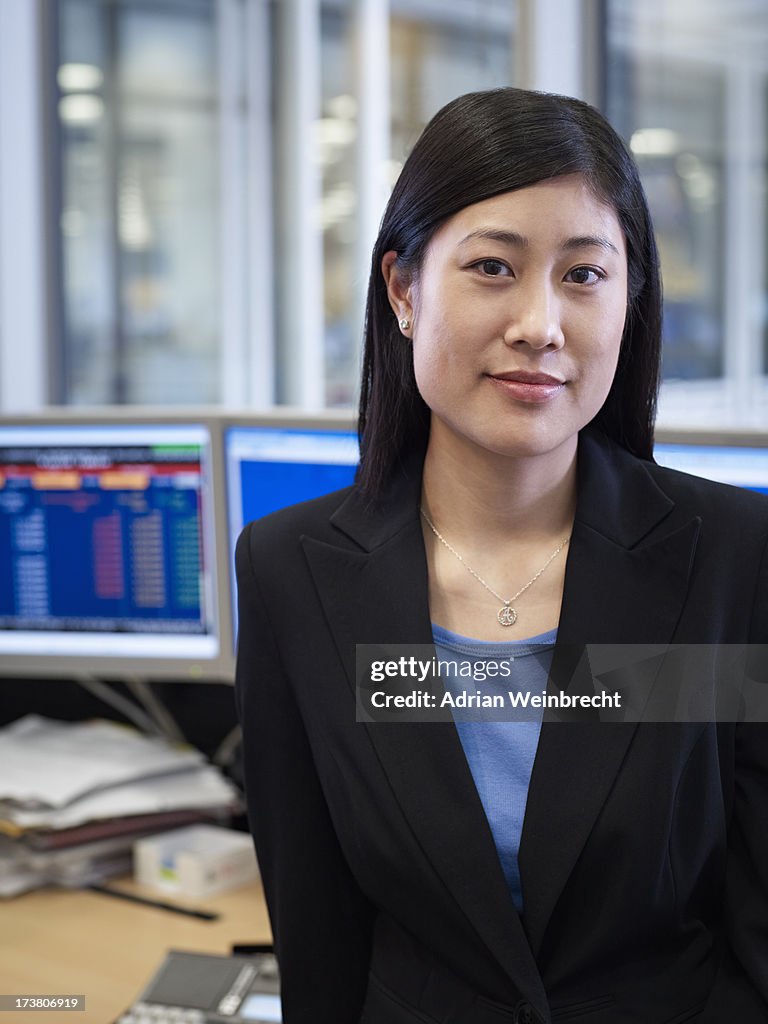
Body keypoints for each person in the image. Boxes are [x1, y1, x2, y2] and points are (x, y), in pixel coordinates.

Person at [234, 88, 768, 1024]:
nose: (541, 325)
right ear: (404, 290)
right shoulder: (294, 572)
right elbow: (317, 933)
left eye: (585, 275)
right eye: (492, 267)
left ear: (630, 297)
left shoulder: (733, 563)